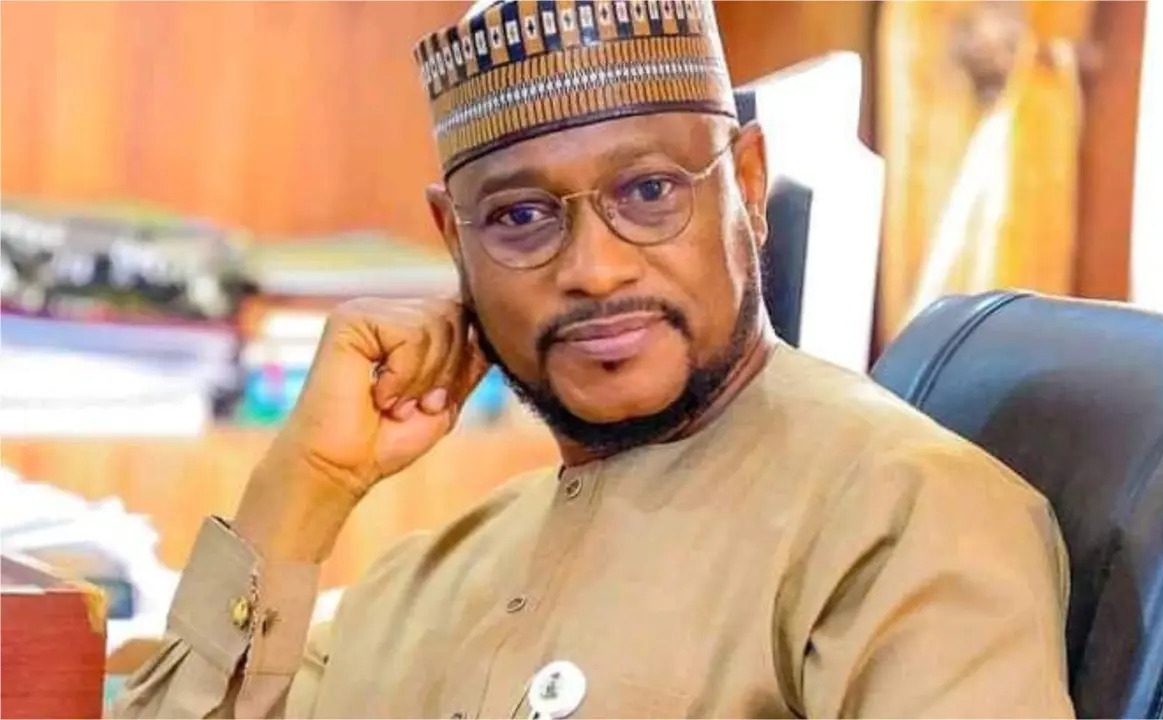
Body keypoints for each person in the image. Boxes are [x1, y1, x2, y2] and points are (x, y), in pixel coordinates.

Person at [115, 1, 1073, 717]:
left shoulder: (902, 515)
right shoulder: (440, 576)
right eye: (521, 217)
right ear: (454, 243)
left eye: (650, 192)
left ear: (747, 184)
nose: (595, 268)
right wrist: (305, 486)